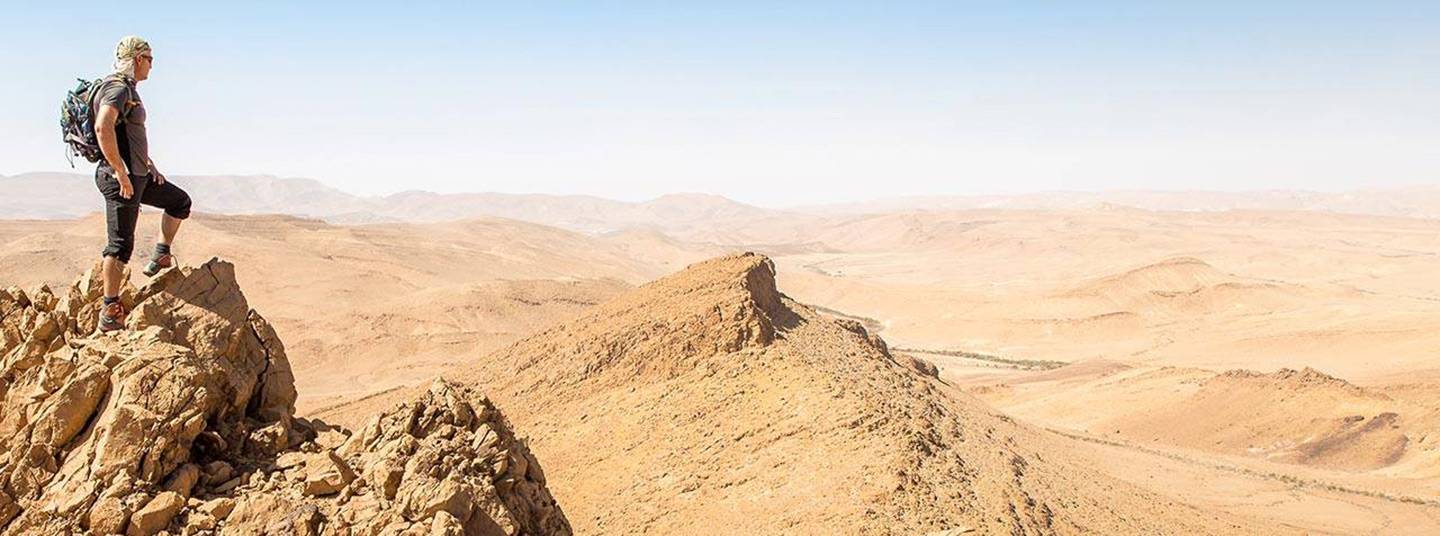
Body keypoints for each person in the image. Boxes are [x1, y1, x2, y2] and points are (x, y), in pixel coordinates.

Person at [94, 36, 192, 333]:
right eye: (150, 58)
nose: (152, 64)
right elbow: (103, 126)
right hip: (121, 179)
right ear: (138, 59)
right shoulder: (117, 88)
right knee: (120, 246)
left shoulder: (129, 89)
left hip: (139, 176)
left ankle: (161, 253)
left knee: (180, 202)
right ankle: (109, 312)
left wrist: (150, 166)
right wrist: (120, 172)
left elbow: (130, 135)